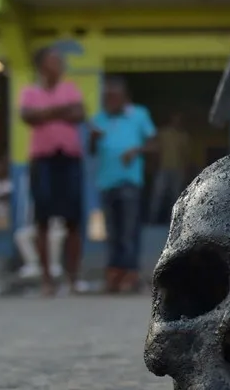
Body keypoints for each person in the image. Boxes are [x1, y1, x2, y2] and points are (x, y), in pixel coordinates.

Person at [19, 46, 86, 296]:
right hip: (42, 160)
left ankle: (73, 278)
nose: (59, 64)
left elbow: (79, 113)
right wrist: (61, 110)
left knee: (73, 220)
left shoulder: (71, 88)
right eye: (53, 60)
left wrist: (45, 113)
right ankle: (47, 279)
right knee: (42, 220)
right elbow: (27, 117)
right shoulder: (29, 92)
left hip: (69, 159)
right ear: (41, 65)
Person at [90, 77, 157, 294]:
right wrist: (92, 138)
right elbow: (91, 150)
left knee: (129, 231)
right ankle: (114, 274)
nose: (109, 101)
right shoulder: (99, 118)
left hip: (130, 181)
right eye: (106, 97)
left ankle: (130, 274)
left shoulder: (139, 115)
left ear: (124, 98)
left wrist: (136, 151)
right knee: (112, 232)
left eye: (113, 97)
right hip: (106, 182)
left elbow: (154, 144)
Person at [149, 111, 191, 224]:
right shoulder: (163, 133)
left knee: (176, 197)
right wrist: (153, 166)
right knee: (158, 195)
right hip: (163, 168)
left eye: (179, 119)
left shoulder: (183, 135)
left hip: (178, 170)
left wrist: (185, 171)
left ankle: (175, 222)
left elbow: (185, 155)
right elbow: (155, 150)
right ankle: (152, 220)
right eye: (175, 119)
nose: (177, 121)